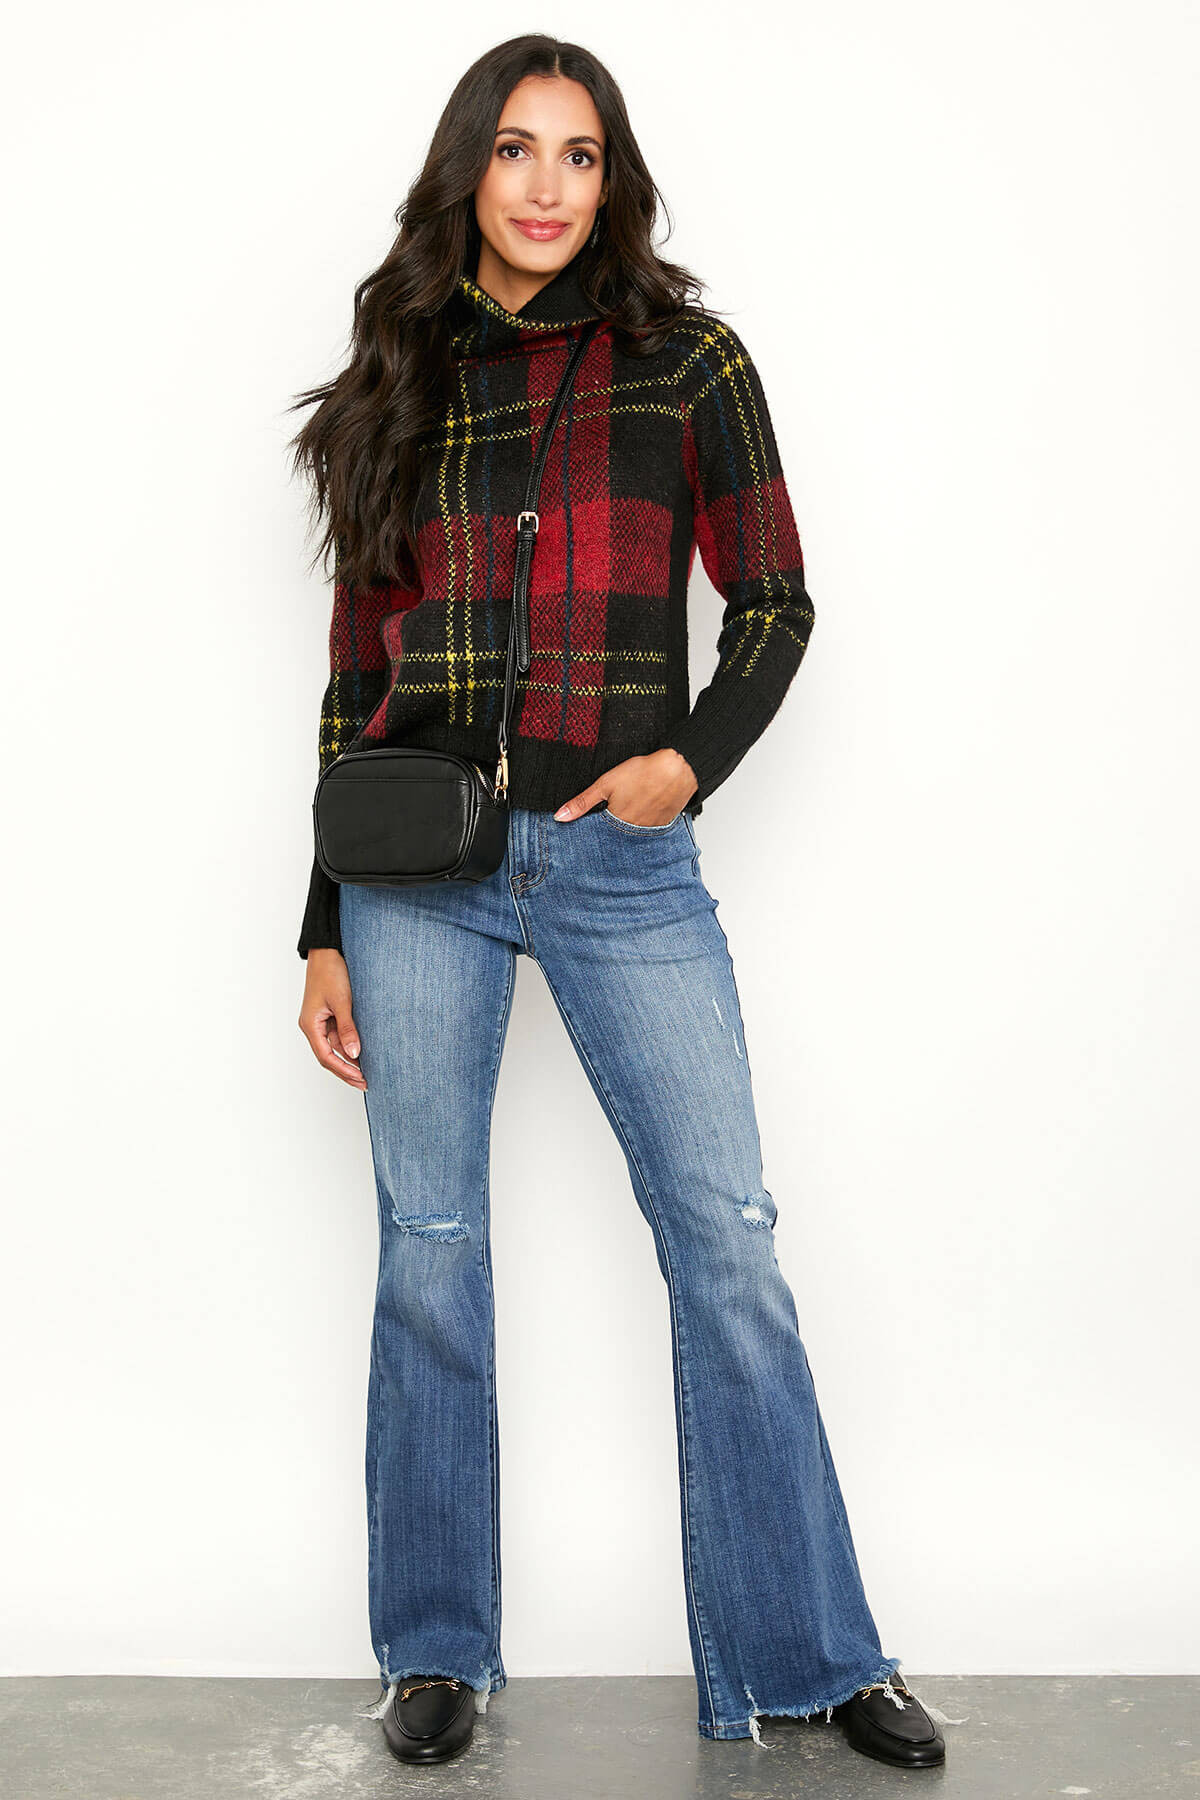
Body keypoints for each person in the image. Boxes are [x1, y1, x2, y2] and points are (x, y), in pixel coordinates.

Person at [292, 33, 947, 1773]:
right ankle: (437, 1649)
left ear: (614, 178)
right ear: (468, 170)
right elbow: (358, 675)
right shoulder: (405, 370)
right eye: (516, 150)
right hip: (419, 876)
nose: (546, 186)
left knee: (726, 1239)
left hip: (620, 865)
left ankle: (810, 1655)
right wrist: (322, 920)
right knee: (431, 1249)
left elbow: (777, 603)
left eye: (579, 156)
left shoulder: (687, 361)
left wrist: (687, 765)